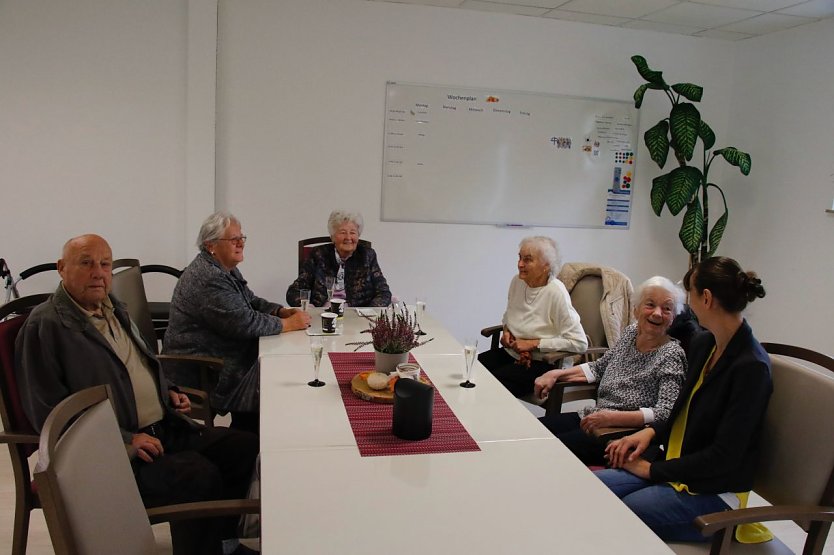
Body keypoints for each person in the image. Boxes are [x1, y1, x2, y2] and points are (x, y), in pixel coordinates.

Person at [15, 234, 258, 555]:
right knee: (199, 476)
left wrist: (167, 390)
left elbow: (138, 362)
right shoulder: (47, 326)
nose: (98, 272)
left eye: (105, 264)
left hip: (163, 427)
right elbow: (48, 414)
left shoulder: (112, 307)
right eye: (86, 263)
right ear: (61, 268)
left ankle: (222, 544)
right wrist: (125, 441)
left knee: (244, 447)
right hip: (111, 454)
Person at [597, 256, 771, 542]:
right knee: (595, 488)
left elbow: (724, 457)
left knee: (625, 512)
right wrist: (648, 433)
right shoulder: (704, 343)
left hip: (717, 490)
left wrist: (653, 469)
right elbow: (680, 409)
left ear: (706, 298)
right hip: (683, 468)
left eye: (688, 293)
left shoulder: (751, 367)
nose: (685, 303)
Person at [164, 211, 310, 434]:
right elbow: (244, 323)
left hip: (220, 355)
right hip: (202, 368)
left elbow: (249, 300)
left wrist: (280, 311)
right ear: (211, 244)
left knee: (273, 370)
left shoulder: (223, 268)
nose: (241, 243)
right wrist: (289, 325)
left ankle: (246, 436)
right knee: (272, 386)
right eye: (234, 239)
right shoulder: (208, 277)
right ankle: (247, 442)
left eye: (242, 237)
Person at [534, 276, 687, 465]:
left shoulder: (672, 354)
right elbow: (599, 368)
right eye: (650, 304)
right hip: (593, 416)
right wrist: (556, 373)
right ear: (636, 309)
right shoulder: (631, 332)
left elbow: (666, 412)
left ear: (673, 318)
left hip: (621, 434)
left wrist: (612, 417)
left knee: (547, 449)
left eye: (667, 309)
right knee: (533, 432)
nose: (657, 313)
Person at [478, 236, 588, 398]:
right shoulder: (517, 282)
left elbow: (579, 343)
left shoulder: (556, 292)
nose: (520, 264)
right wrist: (507, 331)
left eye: (528, 260)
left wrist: (533, 344)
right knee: (471, 370)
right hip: (514, 354)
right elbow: (509, 315)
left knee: (489, 387)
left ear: (546, 266)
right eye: (520, 258)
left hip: (545, 363)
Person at [286, 210, 391, 307]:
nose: (348, 238)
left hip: (357, 316)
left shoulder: (367, 255)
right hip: (323, 315)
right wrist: (309, 308)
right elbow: (294, 292)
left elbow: (383, 292)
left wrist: (368, 313)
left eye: (353, 232)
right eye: (343, 232)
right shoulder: (318, 254)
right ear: (332, 237)